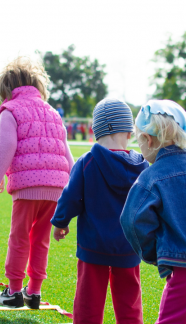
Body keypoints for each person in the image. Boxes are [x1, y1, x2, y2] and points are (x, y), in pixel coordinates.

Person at [0, 57, 74, 309]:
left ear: (6, 90)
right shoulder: (53, 112)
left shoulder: (10, 110)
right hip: (57, 188)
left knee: (19, 237)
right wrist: (74, 192)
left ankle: (13, 291)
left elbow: (5, 146)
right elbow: (67, 154)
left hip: (27, 186)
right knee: (40, 239)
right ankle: (33, 292)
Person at [51, 98, 149, 324]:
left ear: (95, 130)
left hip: (93, 246)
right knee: (129, 302)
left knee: (88, 302)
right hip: (129, 247)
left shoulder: (87, 161)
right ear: (129, 132)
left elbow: (71, 196)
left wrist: (60, 222)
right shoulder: (142, 166)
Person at [121, 100, 186, 324]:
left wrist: (154, 254)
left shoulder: (150, 177)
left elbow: (132, 221)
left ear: (148, 139)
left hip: (182, 271)